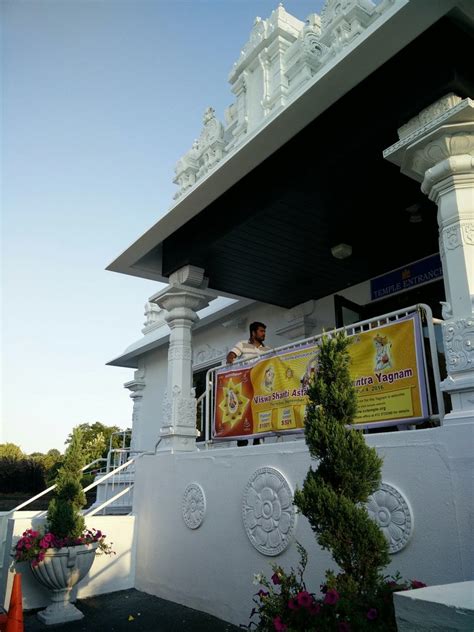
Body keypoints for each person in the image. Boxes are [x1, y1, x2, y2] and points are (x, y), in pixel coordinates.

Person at [226, 321, 270, 446]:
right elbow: (231, 356)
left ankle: (258, 442)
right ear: (253, 332)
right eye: (261, 331)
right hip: (245, 385)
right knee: (243, 413)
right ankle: (242, 442)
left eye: (264, 331)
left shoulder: (267, 349)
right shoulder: (242, 344)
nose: (263, 334)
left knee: (260, 412)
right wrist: (231, 367)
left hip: (261, 387)